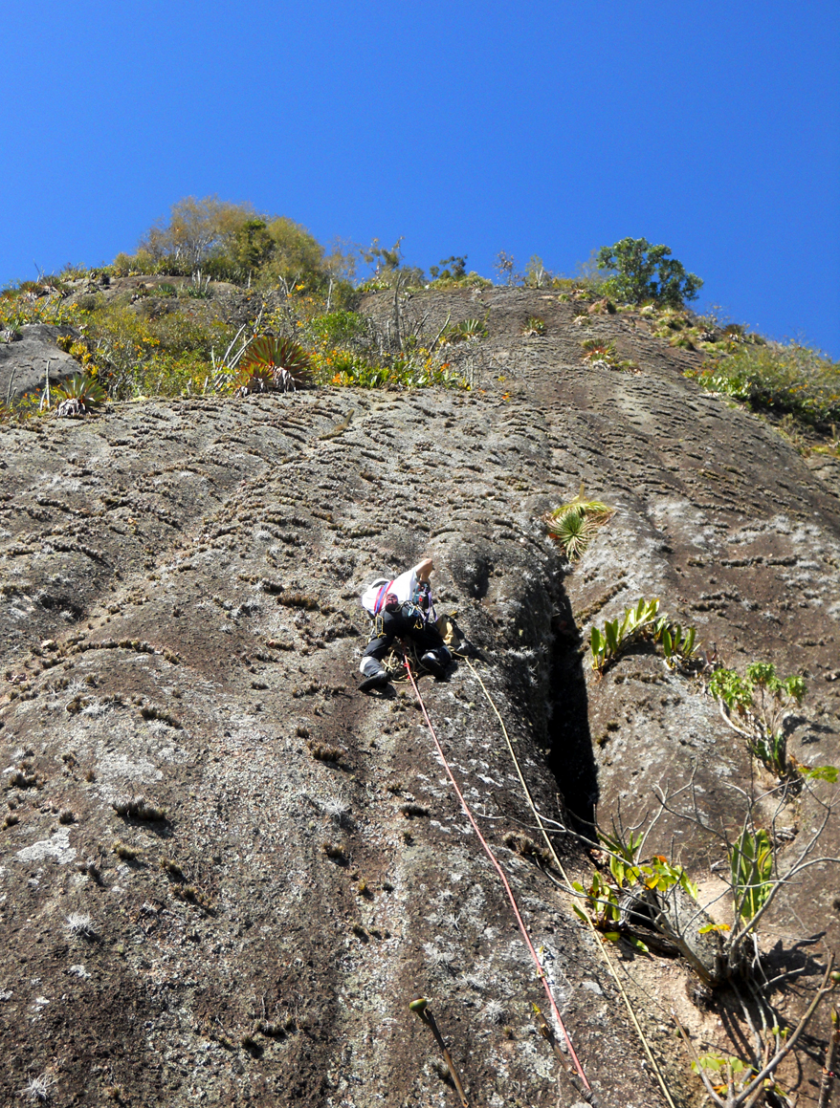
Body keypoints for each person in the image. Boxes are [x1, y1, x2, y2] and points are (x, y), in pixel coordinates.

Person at [358, 557, 453, 692]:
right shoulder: (401, 580)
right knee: (438, 644)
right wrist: (423, 579)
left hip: (385, 618)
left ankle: (377, 672)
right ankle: (431, 656)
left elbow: (375, 617)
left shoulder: (366, 597)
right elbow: (428, 562)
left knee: (370, 656)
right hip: (406, 612)